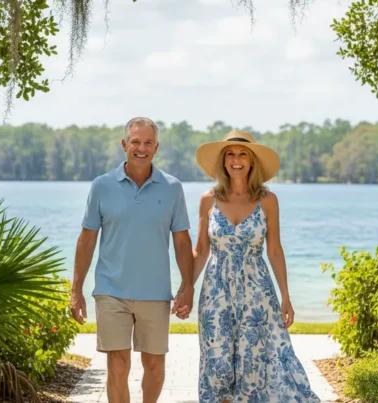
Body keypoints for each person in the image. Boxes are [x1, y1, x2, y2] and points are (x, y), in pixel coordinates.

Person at [174, 130, 320, 402]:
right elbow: (201, 250)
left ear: (252, 161)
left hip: (257, 293)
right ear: (223, 161)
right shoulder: (209, 199)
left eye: (242, 154)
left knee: (255, 362)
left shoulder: (268, 200)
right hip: (216, 291)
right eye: (230, 154)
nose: (236, 160)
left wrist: (285, 296)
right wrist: (186, 289)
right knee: (216, 361)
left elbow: (274, 250)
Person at [70, 117, 194, 403]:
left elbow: (182, 241)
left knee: (155, 366)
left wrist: (187, 286)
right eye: (135, 142)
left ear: (156, 147)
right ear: (124, 144)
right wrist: (76, 290)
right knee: (117, 364)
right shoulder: (102, 186)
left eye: (148, 142)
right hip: (111, 290)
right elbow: (87, 239)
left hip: (155, 292)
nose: (141, 148)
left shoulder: (172, 188)